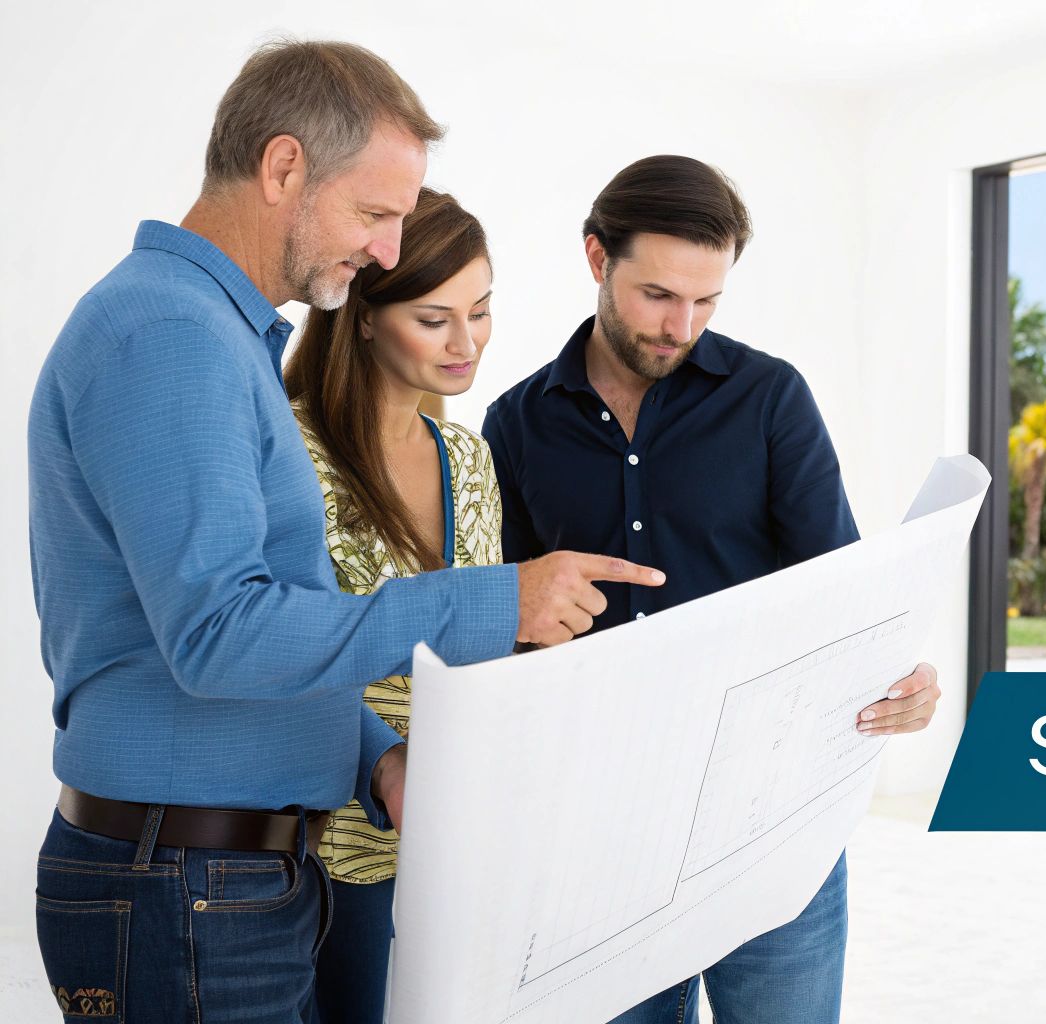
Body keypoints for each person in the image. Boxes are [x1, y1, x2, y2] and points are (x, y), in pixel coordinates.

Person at [28, 40, 659, 1022]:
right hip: (189, 889)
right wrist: (494, 600)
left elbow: (268, 623)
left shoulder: (210, 334)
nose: (386, 253)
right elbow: (219, 634)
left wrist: (373, 754)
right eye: (374, 214)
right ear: (283, 168)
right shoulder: (172, 336)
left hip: (223, 878)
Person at [482, 155, 942, 1024]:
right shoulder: (514, 424)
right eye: (657, 294)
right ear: (596, 259)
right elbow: (506, 629)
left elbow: (840, 590)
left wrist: (900, 675)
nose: (680, 324)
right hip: (602, 837)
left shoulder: (771, 400)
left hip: (771, 820)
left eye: (707, 301)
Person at [282, 187, 501, 1022]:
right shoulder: (293, 451)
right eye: (435, 317)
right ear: (366, 316)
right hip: (321, 844)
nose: (467, 342)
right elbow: (285, 641)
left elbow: (478, 650)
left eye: (481, 312)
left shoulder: (468, 458)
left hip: (448, 834)